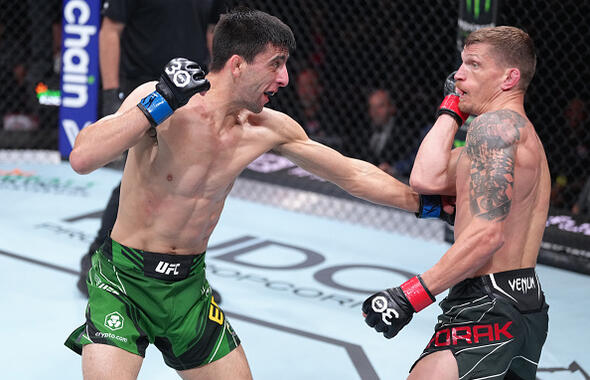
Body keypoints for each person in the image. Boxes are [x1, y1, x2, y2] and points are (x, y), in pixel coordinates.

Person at [64, 9, 455, 379]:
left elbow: (350, 173)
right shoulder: (162, 101)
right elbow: (83, 156)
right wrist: (160, 101)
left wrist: (426, 205)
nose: (285, 78)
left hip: (188, 288)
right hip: (123, 282)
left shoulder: (266, 128)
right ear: (237, 64)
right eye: (275, 63)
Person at [362, 26, 550, 380]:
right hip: (526, 301)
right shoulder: (522, 136)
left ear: (509, 77)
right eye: (461, 64)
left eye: (474, 65)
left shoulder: (492, 130)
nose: (458, 74)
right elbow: (426, 178)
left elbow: (486, 237)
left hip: (486, 304)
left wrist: (411, 295)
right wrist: (452, 108)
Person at [76, 0, 225, 298]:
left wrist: (217, 88)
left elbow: (214, 34)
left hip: (192, 94)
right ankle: (96, 256)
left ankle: (182, 274)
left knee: (185, 180)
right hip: (145, 91)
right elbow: (110, 31)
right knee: (138, 174)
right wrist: (110, 93)